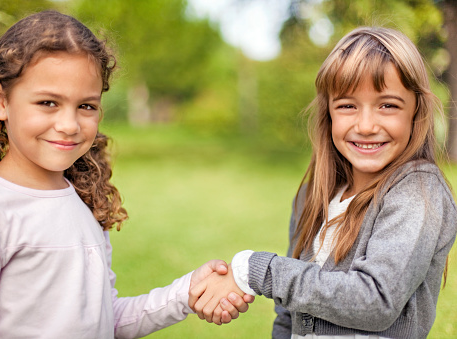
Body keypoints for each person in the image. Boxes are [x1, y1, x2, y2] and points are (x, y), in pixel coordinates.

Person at [0, 10, 253, 339]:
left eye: (86, 106)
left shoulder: (84, 202)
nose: (69, 125)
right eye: (48, 102)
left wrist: (186, 292)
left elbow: (107, 320)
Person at [189, 26, 457, 338]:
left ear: (416, 112)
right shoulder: (314, 194)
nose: (366, 125)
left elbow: (375, 301)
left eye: (388, 105)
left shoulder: (417, 193)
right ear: (328, 113)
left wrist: (256, 270)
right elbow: (290, 314)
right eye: (347, 105)